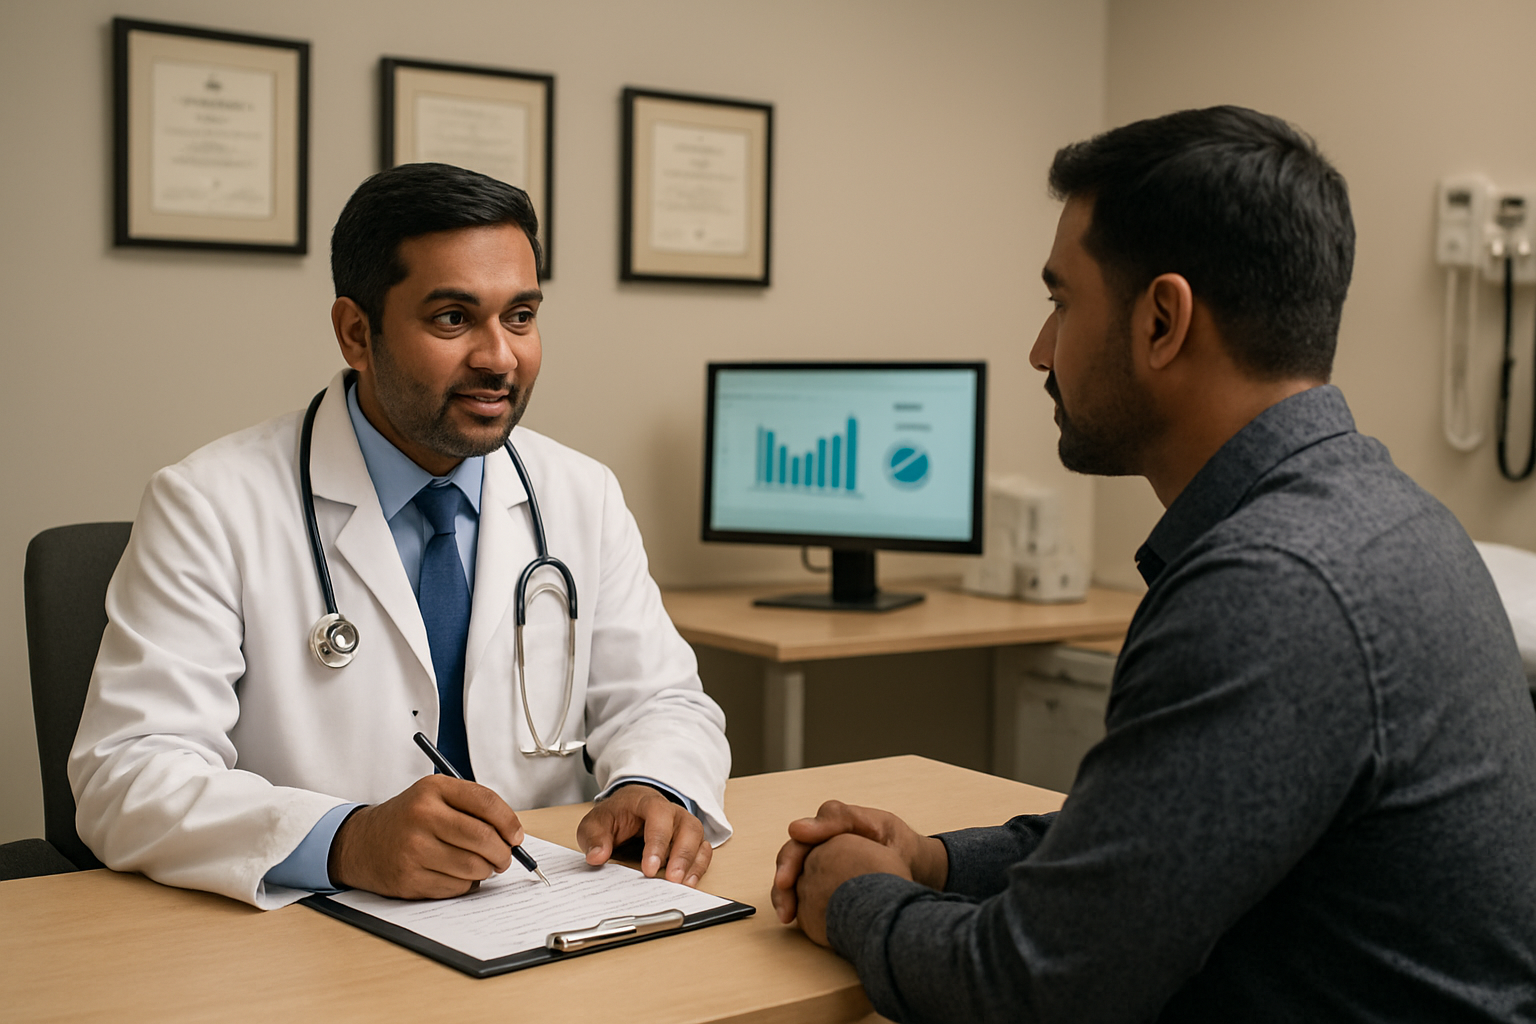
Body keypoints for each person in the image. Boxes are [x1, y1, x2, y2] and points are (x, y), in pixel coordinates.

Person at [771, 106, 1536, 1022]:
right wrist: (936, 862)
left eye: (1060, 304)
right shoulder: (1387, 519)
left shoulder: (1273, 588)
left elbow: (1029, 991)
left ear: (1163, 320)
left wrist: (854, 897)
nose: (1040, 351)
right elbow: (1162, 842)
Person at [70, 163, 731, 910]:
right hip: (316, 941)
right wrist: (346, 840)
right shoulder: (209, 504)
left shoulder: (583, 494)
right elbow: (126, 771)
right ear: (357, 332)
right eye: (453, 319)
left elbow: (662, 702)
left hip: (547, 915)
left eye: (520, 316)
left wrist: (651, 783)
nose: (500, 357)